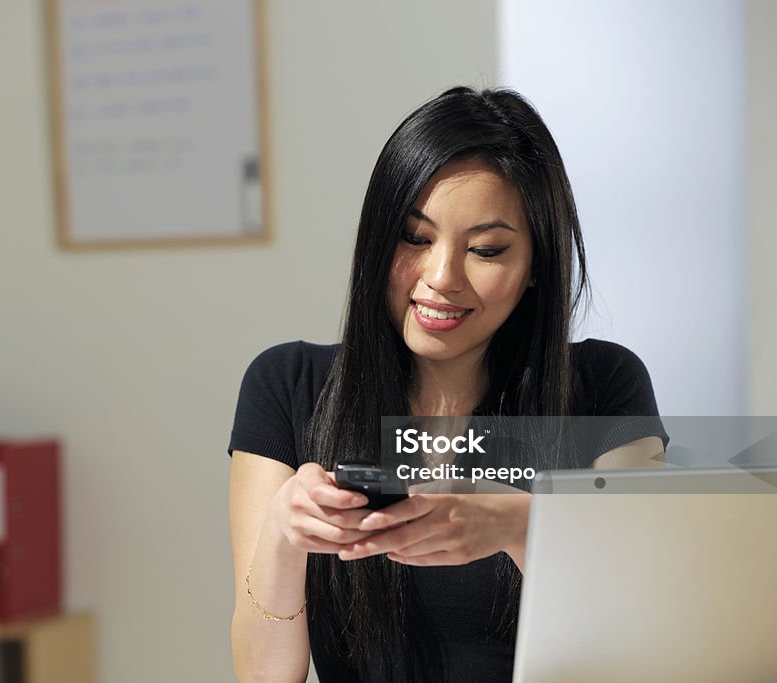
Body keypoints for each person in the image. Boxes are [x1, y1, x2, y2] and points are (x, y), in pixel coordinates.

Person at [227, 86, 667, 683]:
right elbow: (264, 677)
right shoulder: (288, 386)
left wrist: (521, 524)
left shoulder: (602, 387)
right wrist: (284, 534)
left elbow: (643, 620)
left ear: (535, 265)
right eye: (415, 238)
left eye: (485, 249)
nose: (440, 278)